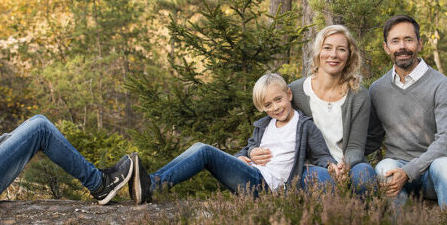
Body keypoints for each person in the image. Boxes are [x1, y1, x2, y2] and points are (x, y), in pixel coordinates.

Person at [0, 41, 139, 206]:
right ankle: (100, 184)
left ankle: (99, 181)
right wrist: (15, 137)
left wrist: (18, 135)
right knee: (39, 127)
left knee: (37, 123)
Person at [133, 73, 337, 197]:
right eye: (268, 104)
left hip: (267, 186)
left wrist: (331, 166)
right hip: (252, 175)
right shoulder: (264, 125)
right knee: (199, 147)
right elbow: (246, 150)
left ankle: (152, 185)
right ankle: (151, 183)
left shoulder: (304, 126)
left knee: (204, 151)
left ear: (289, 95)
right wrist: (245, 155)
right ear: (262, 108)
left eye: (278, 99)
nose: (275, 107)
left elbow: (321, 155)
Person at [249, 25, 377, 196]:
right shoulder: (296, 90)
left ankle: (364, 221)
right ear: (318, 52)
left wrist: (343, 167)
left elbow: (355, 146)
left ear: (349, 55)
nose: (334, 54)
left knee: (365, 176)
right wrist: (249, 152)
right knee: (324, 180)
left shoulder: (359, 95)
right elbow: (269, 124)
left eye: (341, 49)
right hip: (311, 165)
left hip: (348, 164)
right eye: (327, 48)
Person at [366, 14, 447, 209]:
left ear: (420, 44)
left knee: (444, 165)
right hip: (396, 171)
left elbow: (446, 140)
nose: (402, 47)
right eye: (395, 41)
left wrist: (409, 171)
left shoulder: (440, 85)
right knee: (384, 168)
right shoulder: (377, 89)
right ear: (387, 48)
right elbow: (373, 138)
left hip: (432, 172)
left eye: (408, 40)